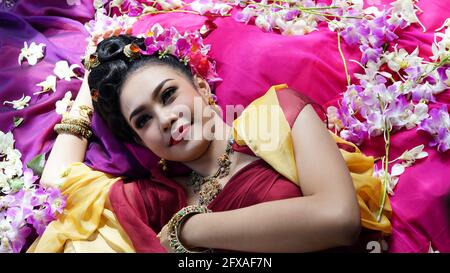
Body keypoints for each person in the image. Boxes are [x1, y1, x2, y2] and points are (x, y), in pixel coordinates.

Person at [28, 33, 390, 253]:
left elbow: (338, 219)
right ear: (140, 141)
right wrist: (89, 87)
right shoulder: (159, 197)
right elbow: (58, 181)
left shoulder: (276, 116)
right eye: (143, 120)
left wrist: (188, 229)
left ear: (201, 87)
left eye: (168, 95)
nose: (165, 118)